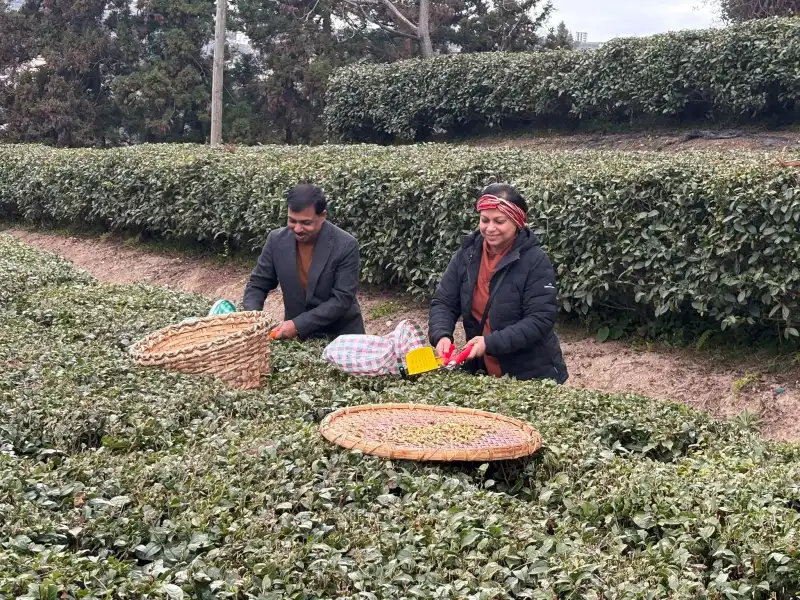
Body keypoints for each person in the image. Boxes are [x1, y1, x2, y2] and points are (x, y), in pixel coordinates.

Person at [428, 183, 568, 383]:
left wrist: (489, 343)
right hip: (481, 371)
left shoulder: (535, 261)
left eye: (499, 221)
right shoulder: (467, 254)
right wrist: (441, 335)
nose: (490, 228)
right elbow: (444, 301)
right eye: (484, 220)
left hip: (530, 374)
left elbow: (540, 320)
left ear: (517, 222)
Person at [243, 184, 365, 340]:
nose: (298, 229)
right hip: (299, 341)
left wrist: (298, 325)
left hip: (341, 338)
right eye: (292, 221)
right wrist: (252, 315)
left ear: (322, 216)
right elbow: (258, 283)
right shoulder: (276, 241)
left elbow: (341, 300)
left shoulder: (345, 245)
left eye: (306, 223)